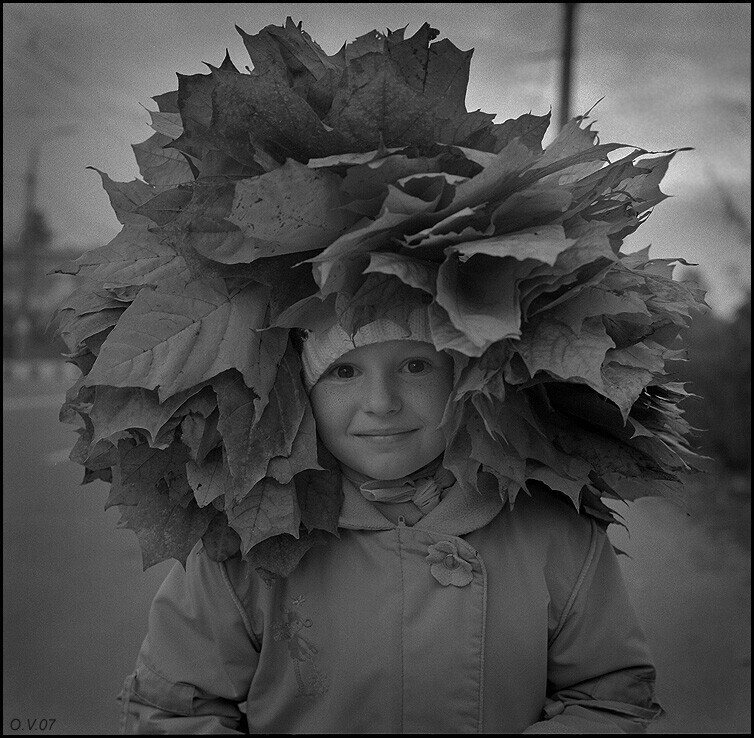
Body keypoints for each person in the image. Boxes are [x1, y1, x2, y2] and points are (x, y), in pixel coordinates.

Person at [117, 297, 664, 733]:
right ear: (301, 397)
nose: (382, 401)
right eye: (344, 371)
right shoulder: (245, 544)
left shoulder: (552, 533)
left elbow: (608, 699)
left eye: (415, 365)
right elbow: (177, 710)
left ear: (463, 382)